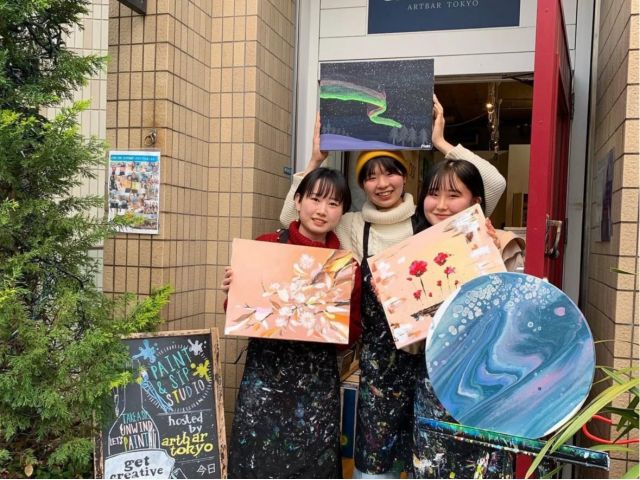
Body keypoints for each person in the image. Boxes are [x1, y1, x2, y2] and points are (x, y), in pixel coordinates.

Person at [279, 96, 506, 478]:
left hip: (437, 362)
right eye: (371, 176)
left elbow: (494, 185)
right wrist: (316, 160)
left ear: (405, 174)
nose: (382, 183)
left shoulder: (433, 218)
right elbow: (290, 219)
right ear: (361, 183)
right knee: (376, 464)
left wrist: (442, 143)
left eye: (391, 173)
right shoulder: (351, 226)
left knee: (431, 457)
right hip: (381, 369)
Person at [223, 167, 362, 479]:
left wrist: (340, 305)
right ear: (297, 201)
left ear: (342, 212)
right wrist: (233, 290)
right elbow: (239, 313)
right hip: (265, 378)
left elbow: (349, 336)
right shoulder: (266, 246)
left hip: (316, 385)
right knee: (257, 462)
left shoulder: (345, 266)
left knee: (313, 465)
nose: (322, 210)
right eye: (315, 199)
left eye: (333, 203)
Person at [411, 129, 525, 479]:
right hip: (434, 383)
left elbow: (518, 317)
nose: (441, 205)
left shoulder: (502, 244)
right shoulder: (414, 252)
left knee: (485, 469)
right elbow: (412, 338)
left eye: (453, 195)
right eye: (433, 194)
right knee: (432, 467)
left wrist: (442, 143)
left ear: (476, 200)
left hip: (488, 382)